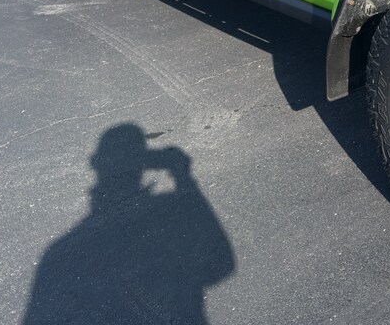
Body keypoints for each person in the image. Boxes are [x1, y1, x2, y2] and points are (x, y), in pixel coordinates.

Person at [22, 123, 235, 324]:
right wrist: (182, 175)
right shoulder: (167, 208)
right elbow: (221, 263)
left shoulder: (56, 255)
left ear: (97, 163)